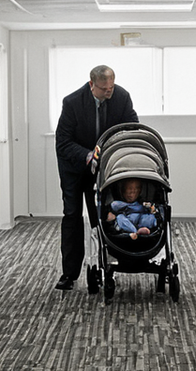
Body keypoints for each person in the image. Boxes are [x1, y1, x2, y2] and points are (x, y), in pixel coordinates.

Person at [54, 64, 138, 290]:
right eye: (104, 89)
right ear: (92, 85)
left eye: (111, 87)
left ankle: (103, 266)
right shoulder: (71, 103)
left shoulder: (121, 97)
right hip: (74, 166)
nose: (108, 92)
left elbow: (132, 128)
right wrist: (88, 155)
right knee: (72, 214)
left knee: (100, 215)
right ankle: (69, 275)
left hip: (103, 168)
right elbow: (62, 143)